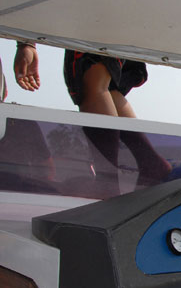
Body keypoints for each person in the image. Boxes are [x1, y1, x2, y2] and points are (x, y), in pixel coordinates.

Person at [13, 44, 171, 195]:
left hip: (97, 25)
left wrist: (26, 44)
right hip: (123, 27)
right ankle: (149, 162)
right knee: (109, 86)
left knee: (92, 80)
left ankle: (107, 181)